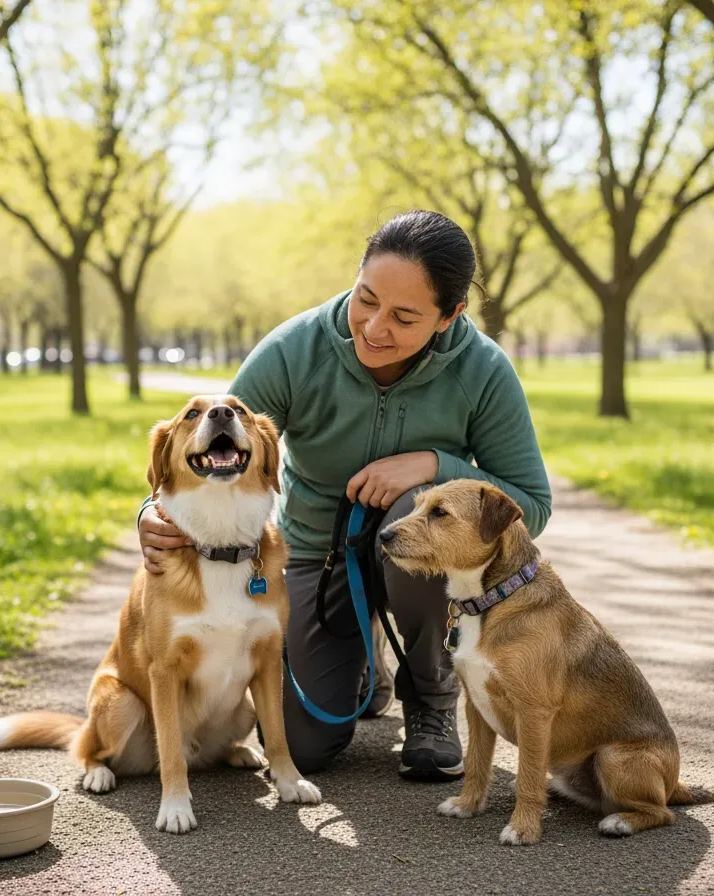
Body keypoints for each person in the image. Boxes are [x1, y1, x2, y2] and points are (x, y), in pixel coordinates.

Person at [137, 209, 552, 780]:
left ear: (450, 315)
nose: (376, 328)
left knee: (420, 511)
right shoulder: (293, 351)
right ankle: (363, 657)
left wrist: (434, 465)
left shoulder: (483, 371)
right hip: (316, 554)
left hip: (419, 561)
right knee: (304, 747)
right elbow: (213, 446)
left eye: (405, 316)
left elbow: (532, 502)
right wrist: (149, 514)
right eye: (367, 299)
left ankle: (430, 699)